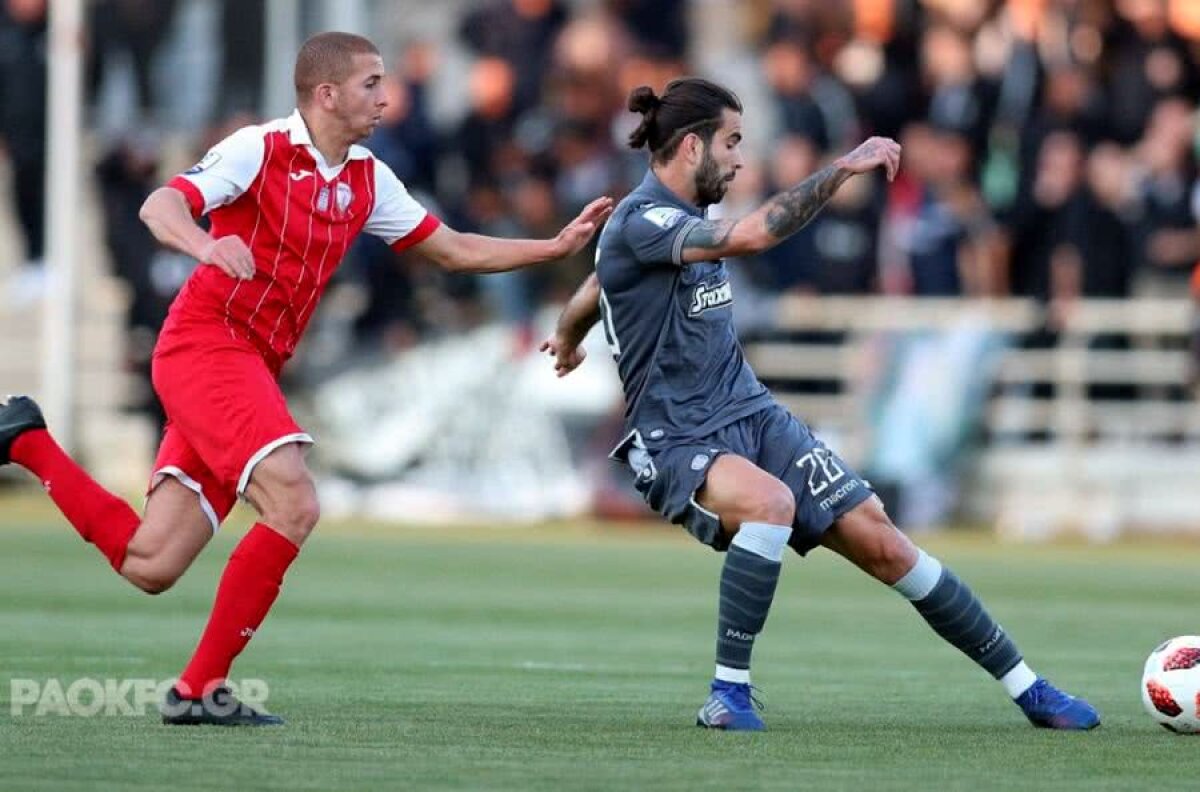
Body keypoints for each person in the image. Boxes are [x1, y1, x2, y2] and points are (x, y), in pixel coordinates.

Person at [0, 31, 611, 726]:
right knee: (294, 503)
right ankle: (200, 691)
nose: (386, 97)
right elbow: (158, 208)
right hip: (207, 346)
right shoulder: (257, 150)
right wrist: (207, 242)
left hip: (250, 365)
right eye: (371, 83)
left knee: (152, 562)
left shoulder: (366, 177)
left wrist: (555, 245)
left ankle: (25, 441)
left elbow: (454, 249)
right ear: (327, 95)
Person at [540, 78, 1099, 732]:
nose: (741, 158)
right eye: (732, 142)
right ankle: (727, 695)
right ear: (692, 148)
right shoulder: (643, 219)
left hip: (753, 416)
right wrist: (840, 169)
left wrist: (570, 332)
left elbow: (599, 280)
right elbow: (744, 239)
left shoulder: (671, 227)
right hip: (680, 440)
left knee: (886, 543)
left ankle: (1029, 689)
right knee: (770, 504)